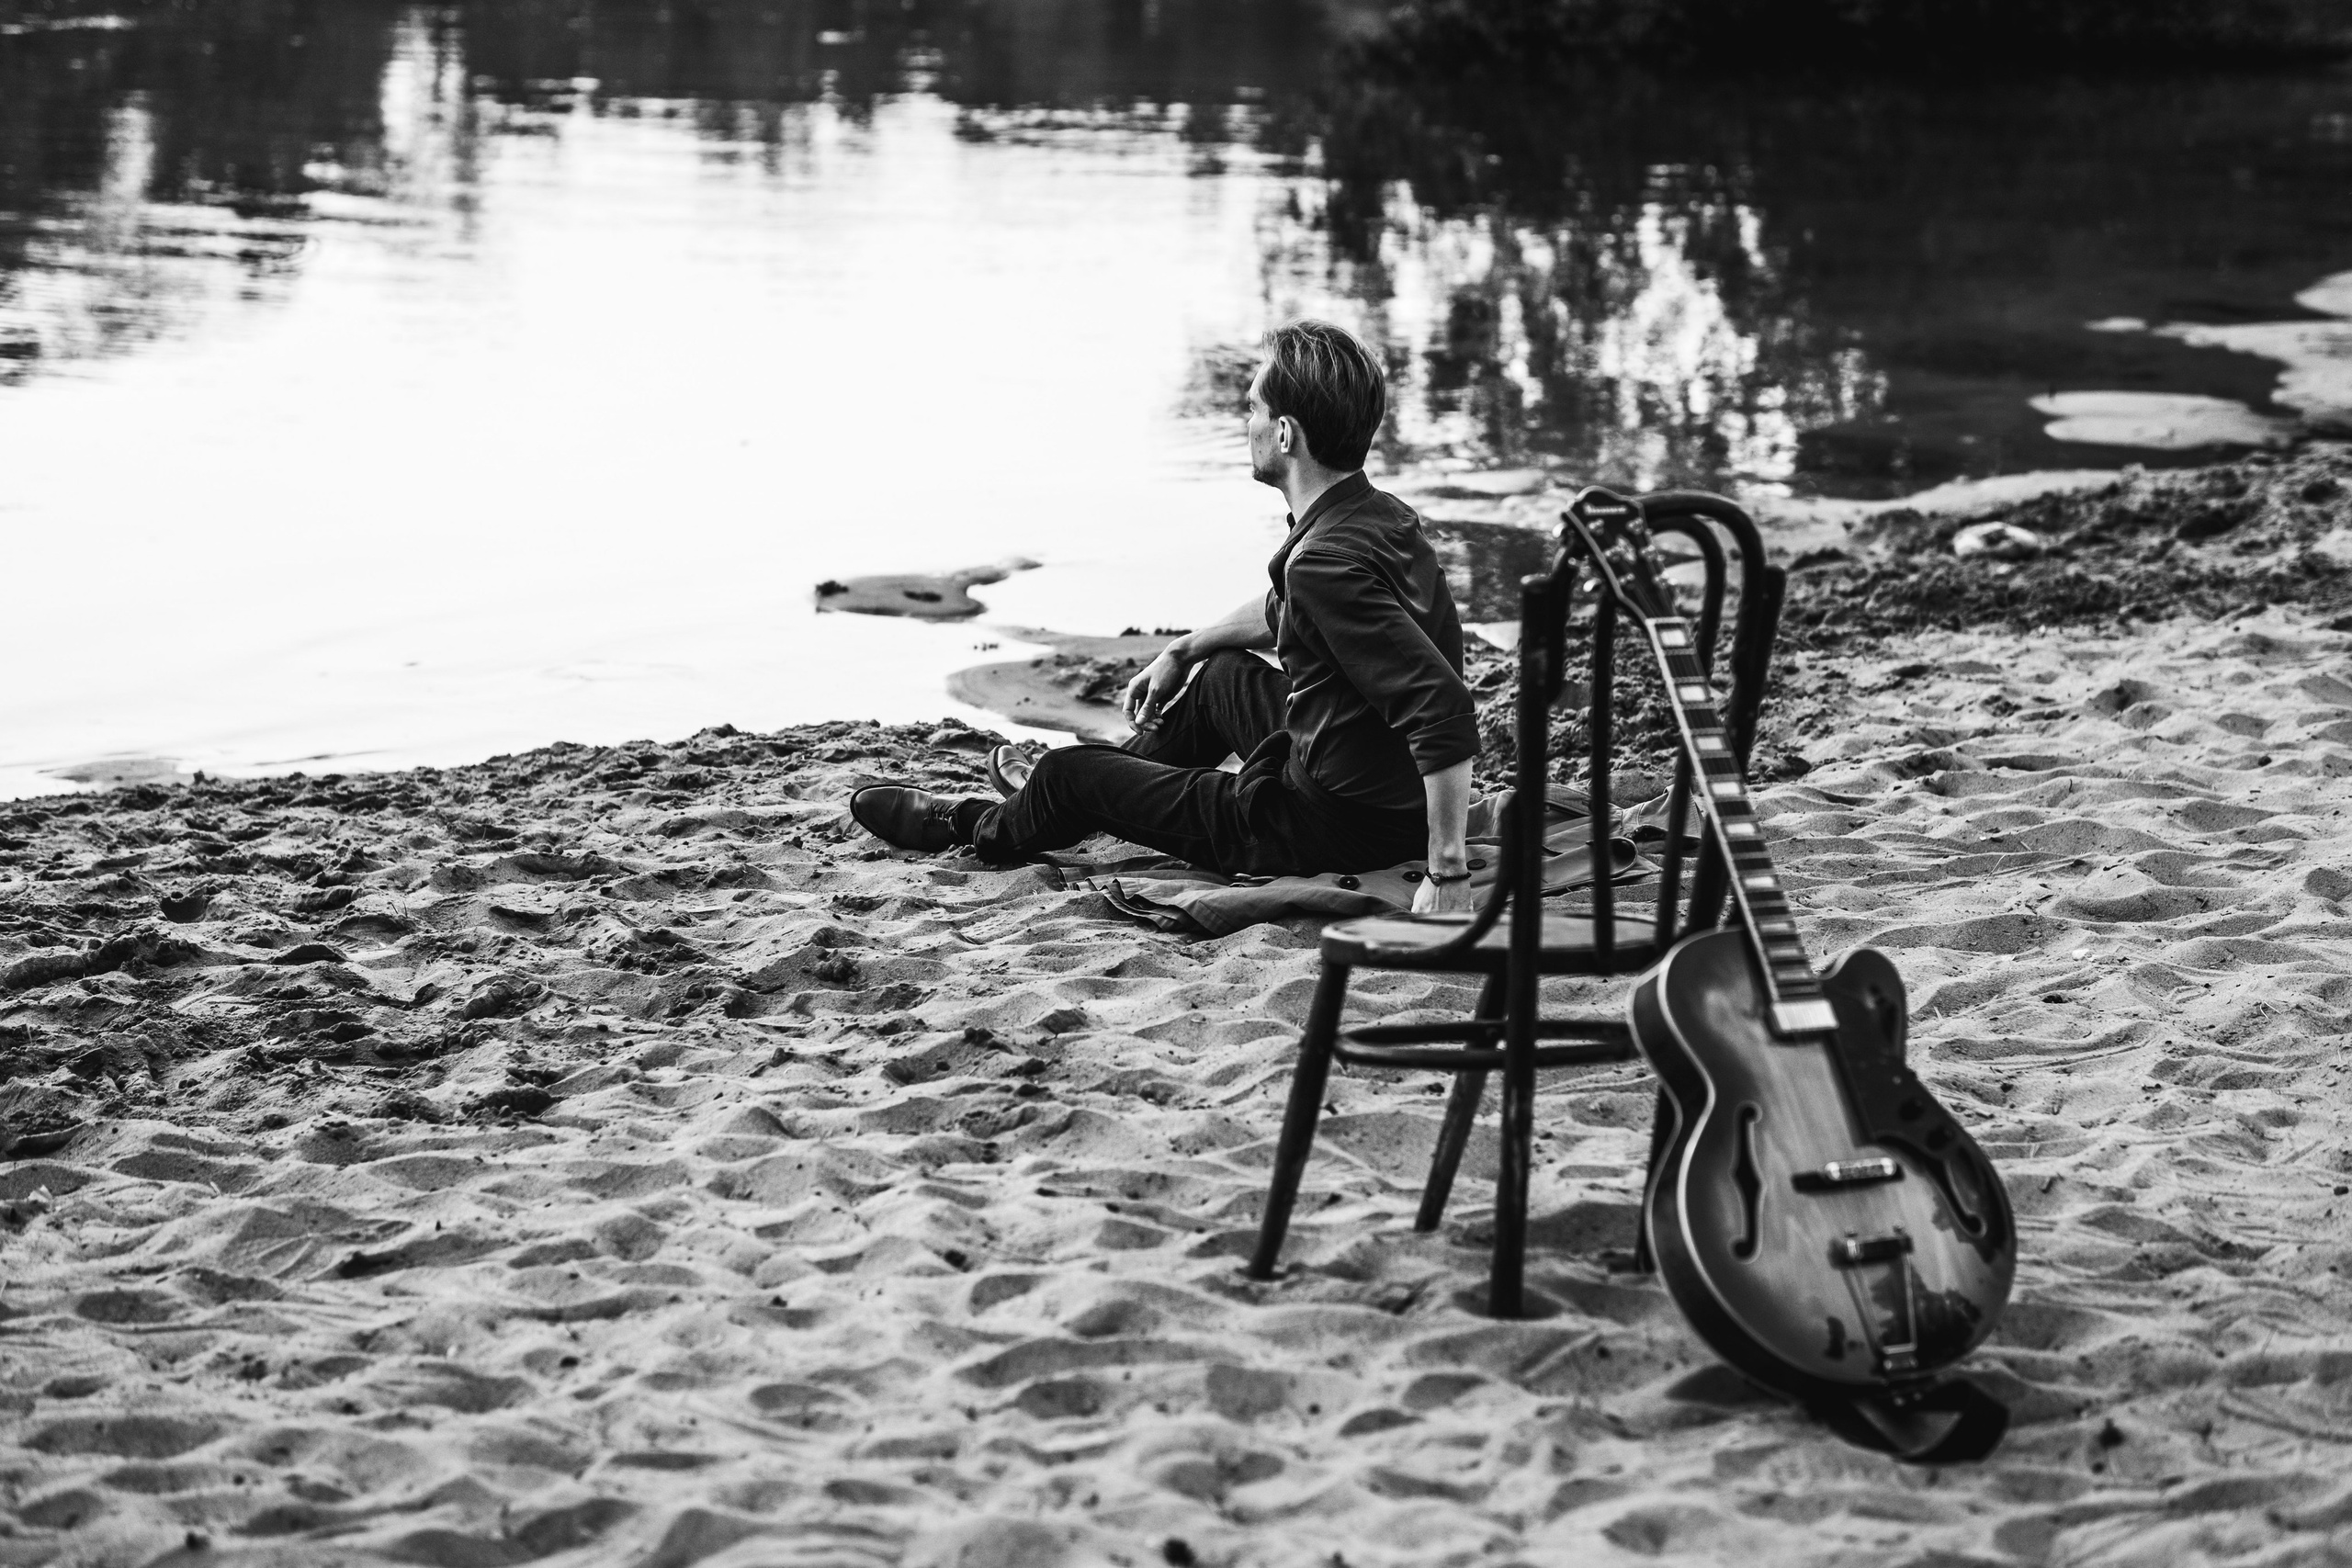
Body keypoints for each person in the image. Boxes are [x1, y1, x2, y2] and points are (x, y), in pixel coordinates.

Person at [850, 319, 1479, 914]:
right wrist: (1184, 650)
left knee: (1069, 774)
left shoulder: (1324, 562)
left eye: (1254, 409)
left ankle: (972, 824)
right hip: (1361, 778)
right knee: (1221, 675)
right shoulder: (1375, 515)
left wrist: (1446, 871)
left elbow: (1441, 705)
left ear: (1285, 434)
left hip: (1331, 823)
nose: (1247, 421)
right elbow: (1290, 610)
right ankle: (1115, 786)